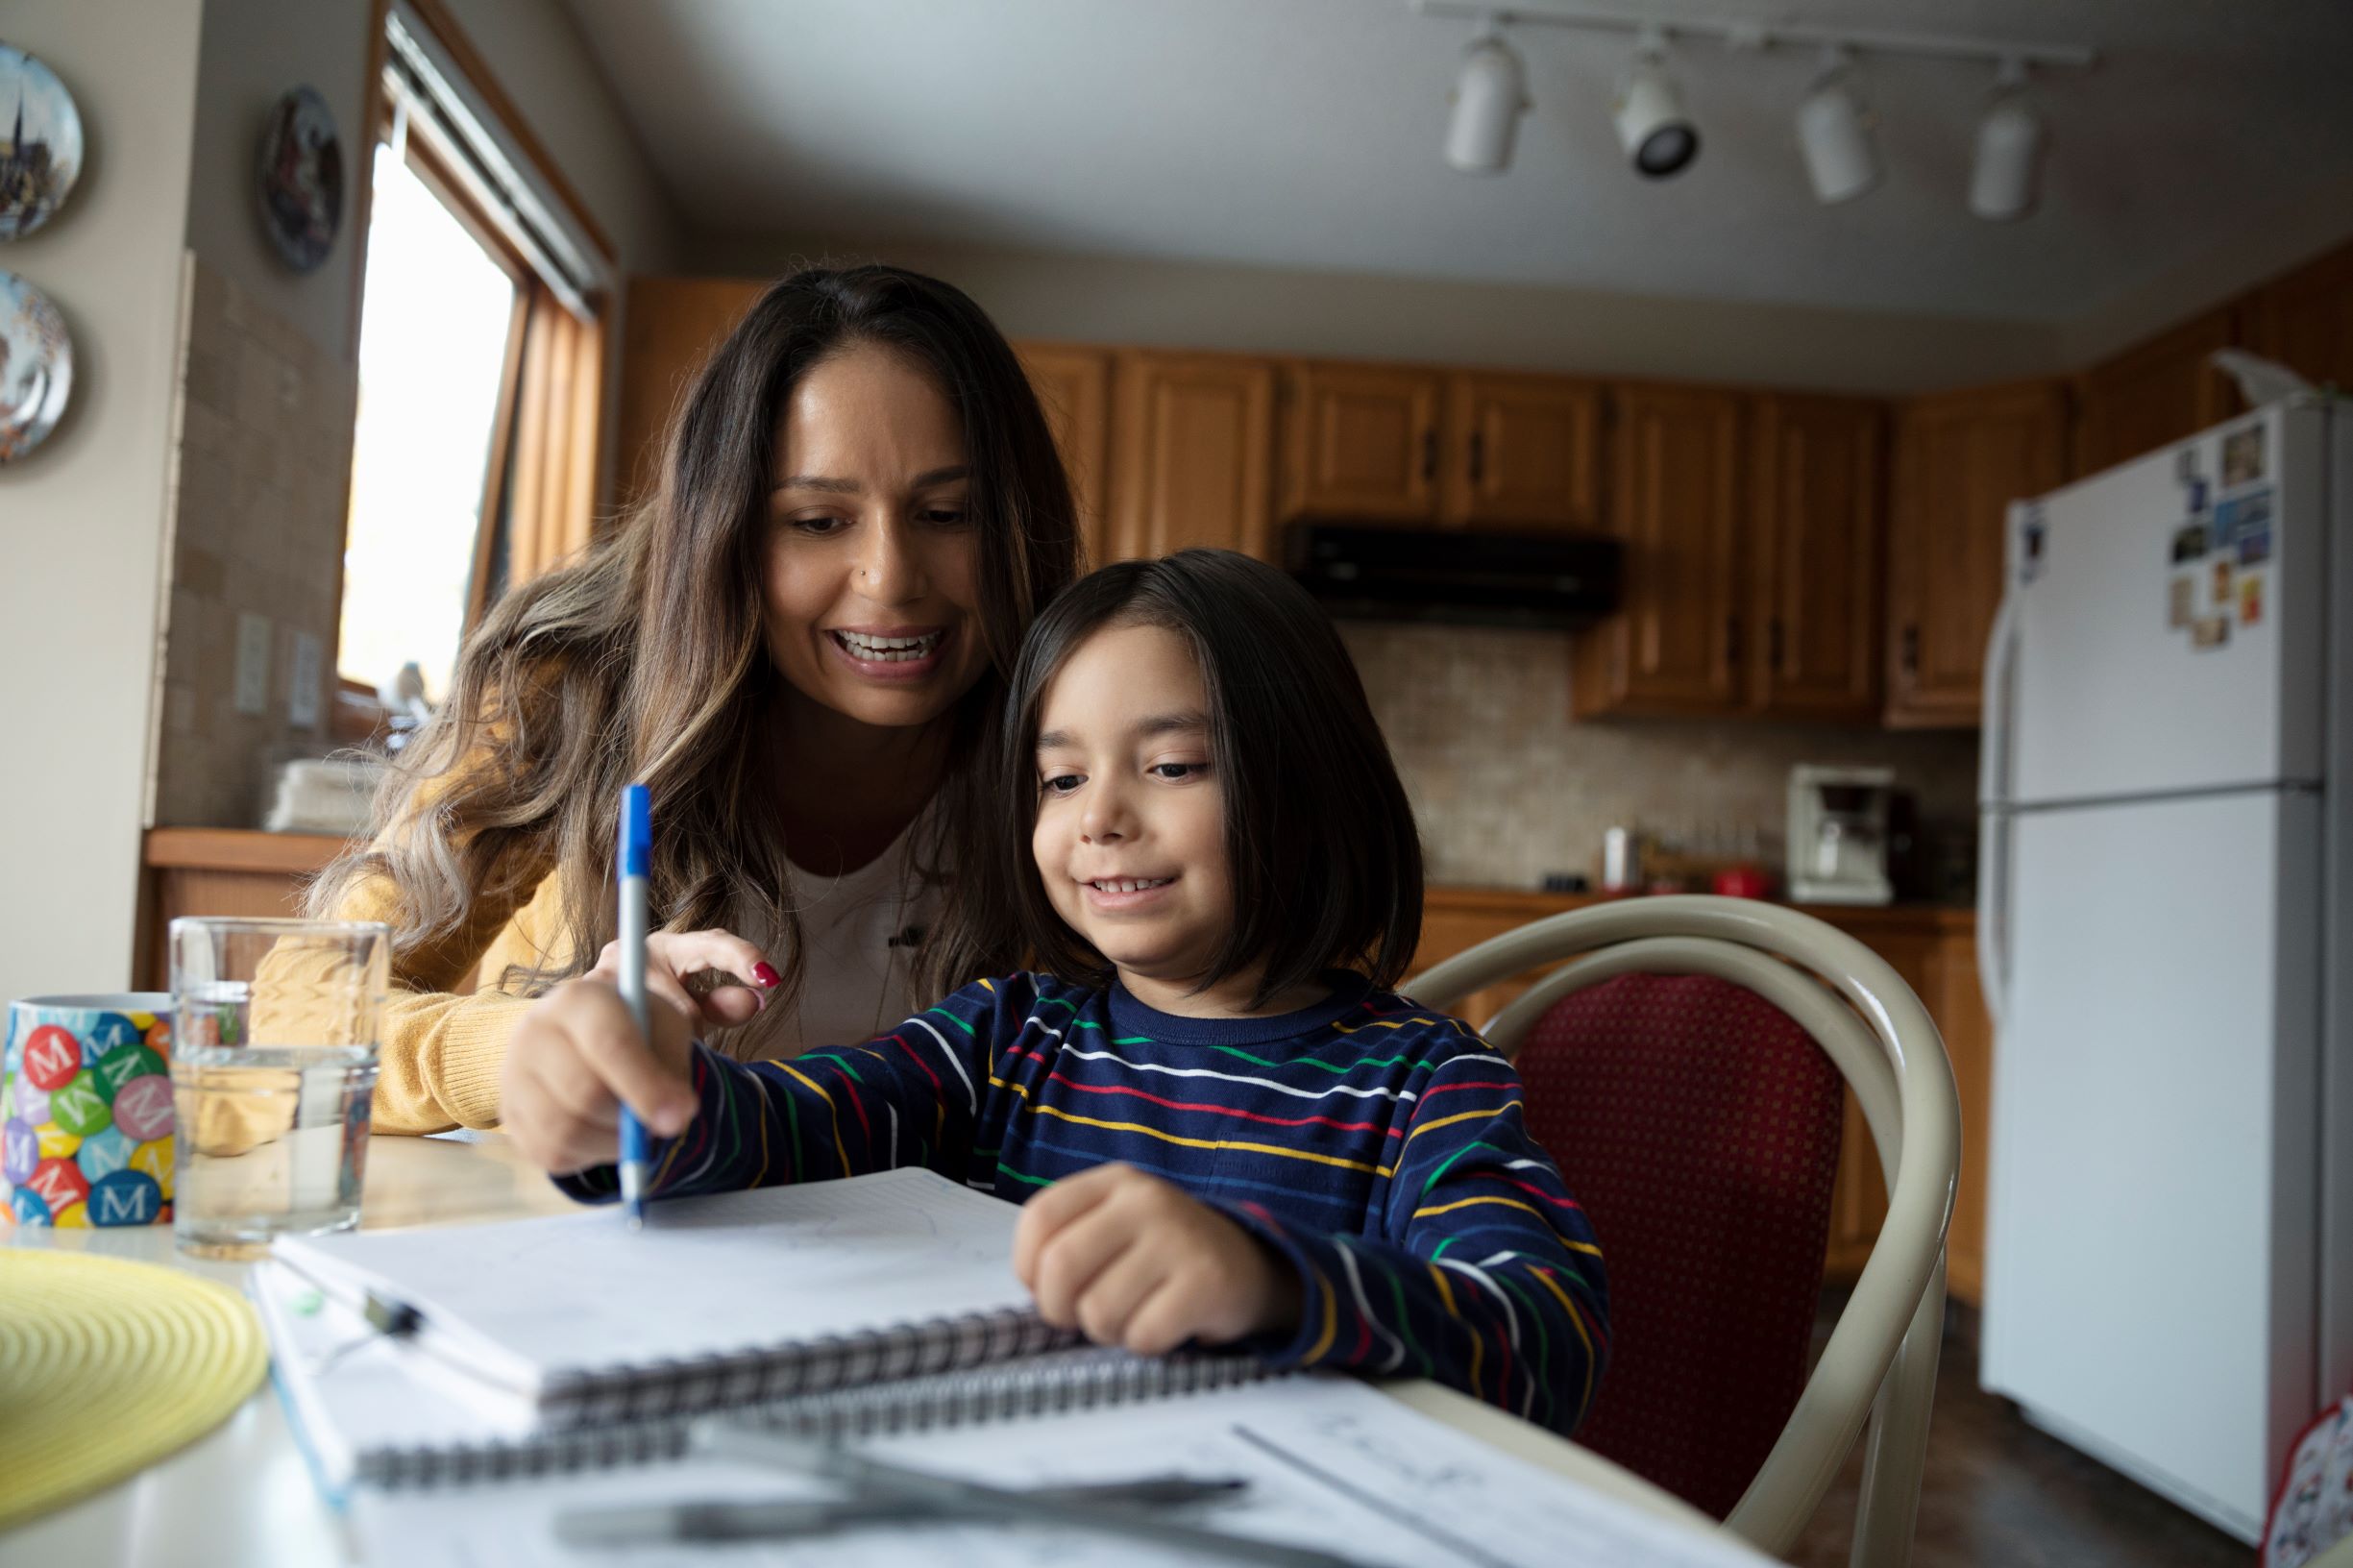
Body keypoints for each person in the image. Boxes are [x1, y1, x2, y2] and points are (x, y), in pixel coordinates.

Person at [503, 550, 1609, 1435]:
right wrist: (634, 1092)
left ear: (1310, 787)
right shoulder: (1006, 1037)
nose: (1098, 819)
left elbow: (1546, 1337)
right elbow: (786, 1127)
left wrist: (1274, 1284)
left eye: (1171, 767)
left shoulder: (1427, 1085)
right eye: (1060, 778)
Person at [306, 265, 1082, 1136]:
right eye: (818, 522)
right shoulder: (574, 686)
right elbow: (306, 1010)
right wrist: (524, 1045)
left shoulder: (1081, 736)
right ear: (726, 537)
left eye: (948, 513)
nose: (891, 578)